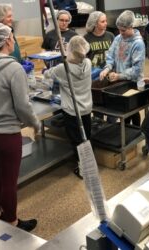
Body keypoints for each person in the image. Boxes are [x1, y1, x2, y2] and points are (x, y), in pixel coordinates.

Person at [0, 24, 40, 232]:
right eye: (12, 37)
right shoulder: (13, 68)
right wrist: (35, 123)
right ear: (6, 42)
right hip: (7, 134)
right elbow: (23, 106)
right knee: (9, 181)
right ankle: (12, 221)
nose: (13, 40)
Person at [44, 36, 92, 179]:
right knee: (86, 137)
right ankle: (89, 163)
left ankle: (82, 168)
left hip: (72, 111)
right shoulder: (88, 63)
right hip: (86, 107)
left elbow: (47, 74)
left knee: (76, 140)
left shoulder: (62, 68)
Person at [99, 10, 145, 126]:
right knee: (123, 112)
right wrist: (107, 68)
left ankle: (134, 134)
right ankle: (125, 134)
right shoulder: (118, 38)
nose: (121, 32)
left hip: (133, 83)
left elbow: (136, 70)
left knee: (132, 112)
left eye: (123, 30)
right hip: (120, 82)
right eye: (119, 30)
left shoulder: (138, 43)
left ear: (131, 27)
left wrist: (119, 75)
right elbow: (110, 55)